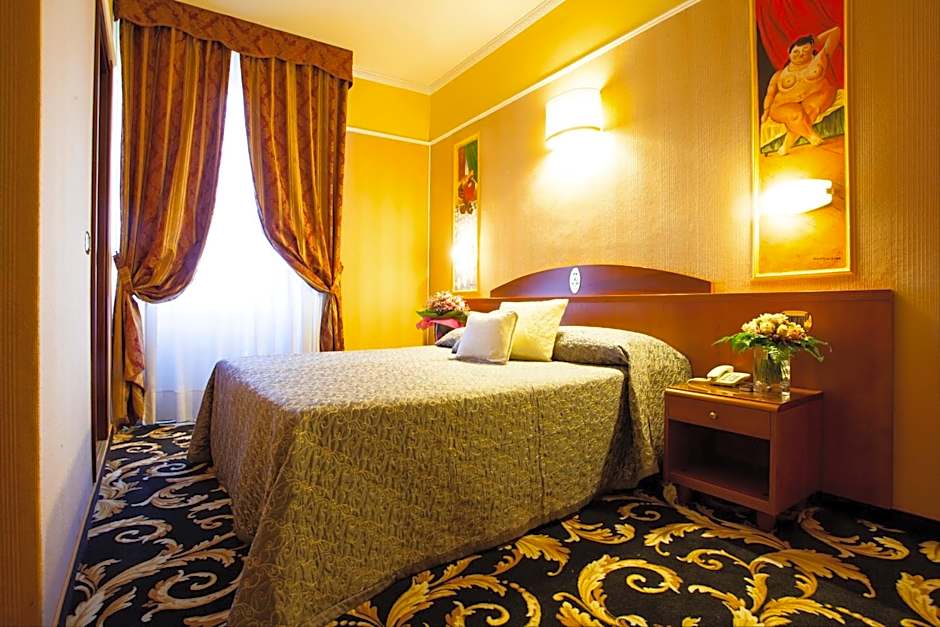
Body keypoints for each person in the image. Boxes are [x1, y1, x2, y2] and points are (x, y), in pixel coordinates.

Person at [761, 26, 841, 156]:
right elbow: (770, 94)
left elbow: (836, 32)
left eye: (805, 50)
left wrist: (815, 41)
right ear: (789, 53)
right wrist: (765, 112)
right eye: (796, 51)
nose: (800, 54)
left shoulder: (820, 60)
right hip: (783, 104)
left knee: (809, 111)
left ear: (812, 50)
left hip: (815, 95)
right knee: (796, 113)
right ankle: (811, 136)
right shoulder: (779, 75)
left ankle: (785, 146)